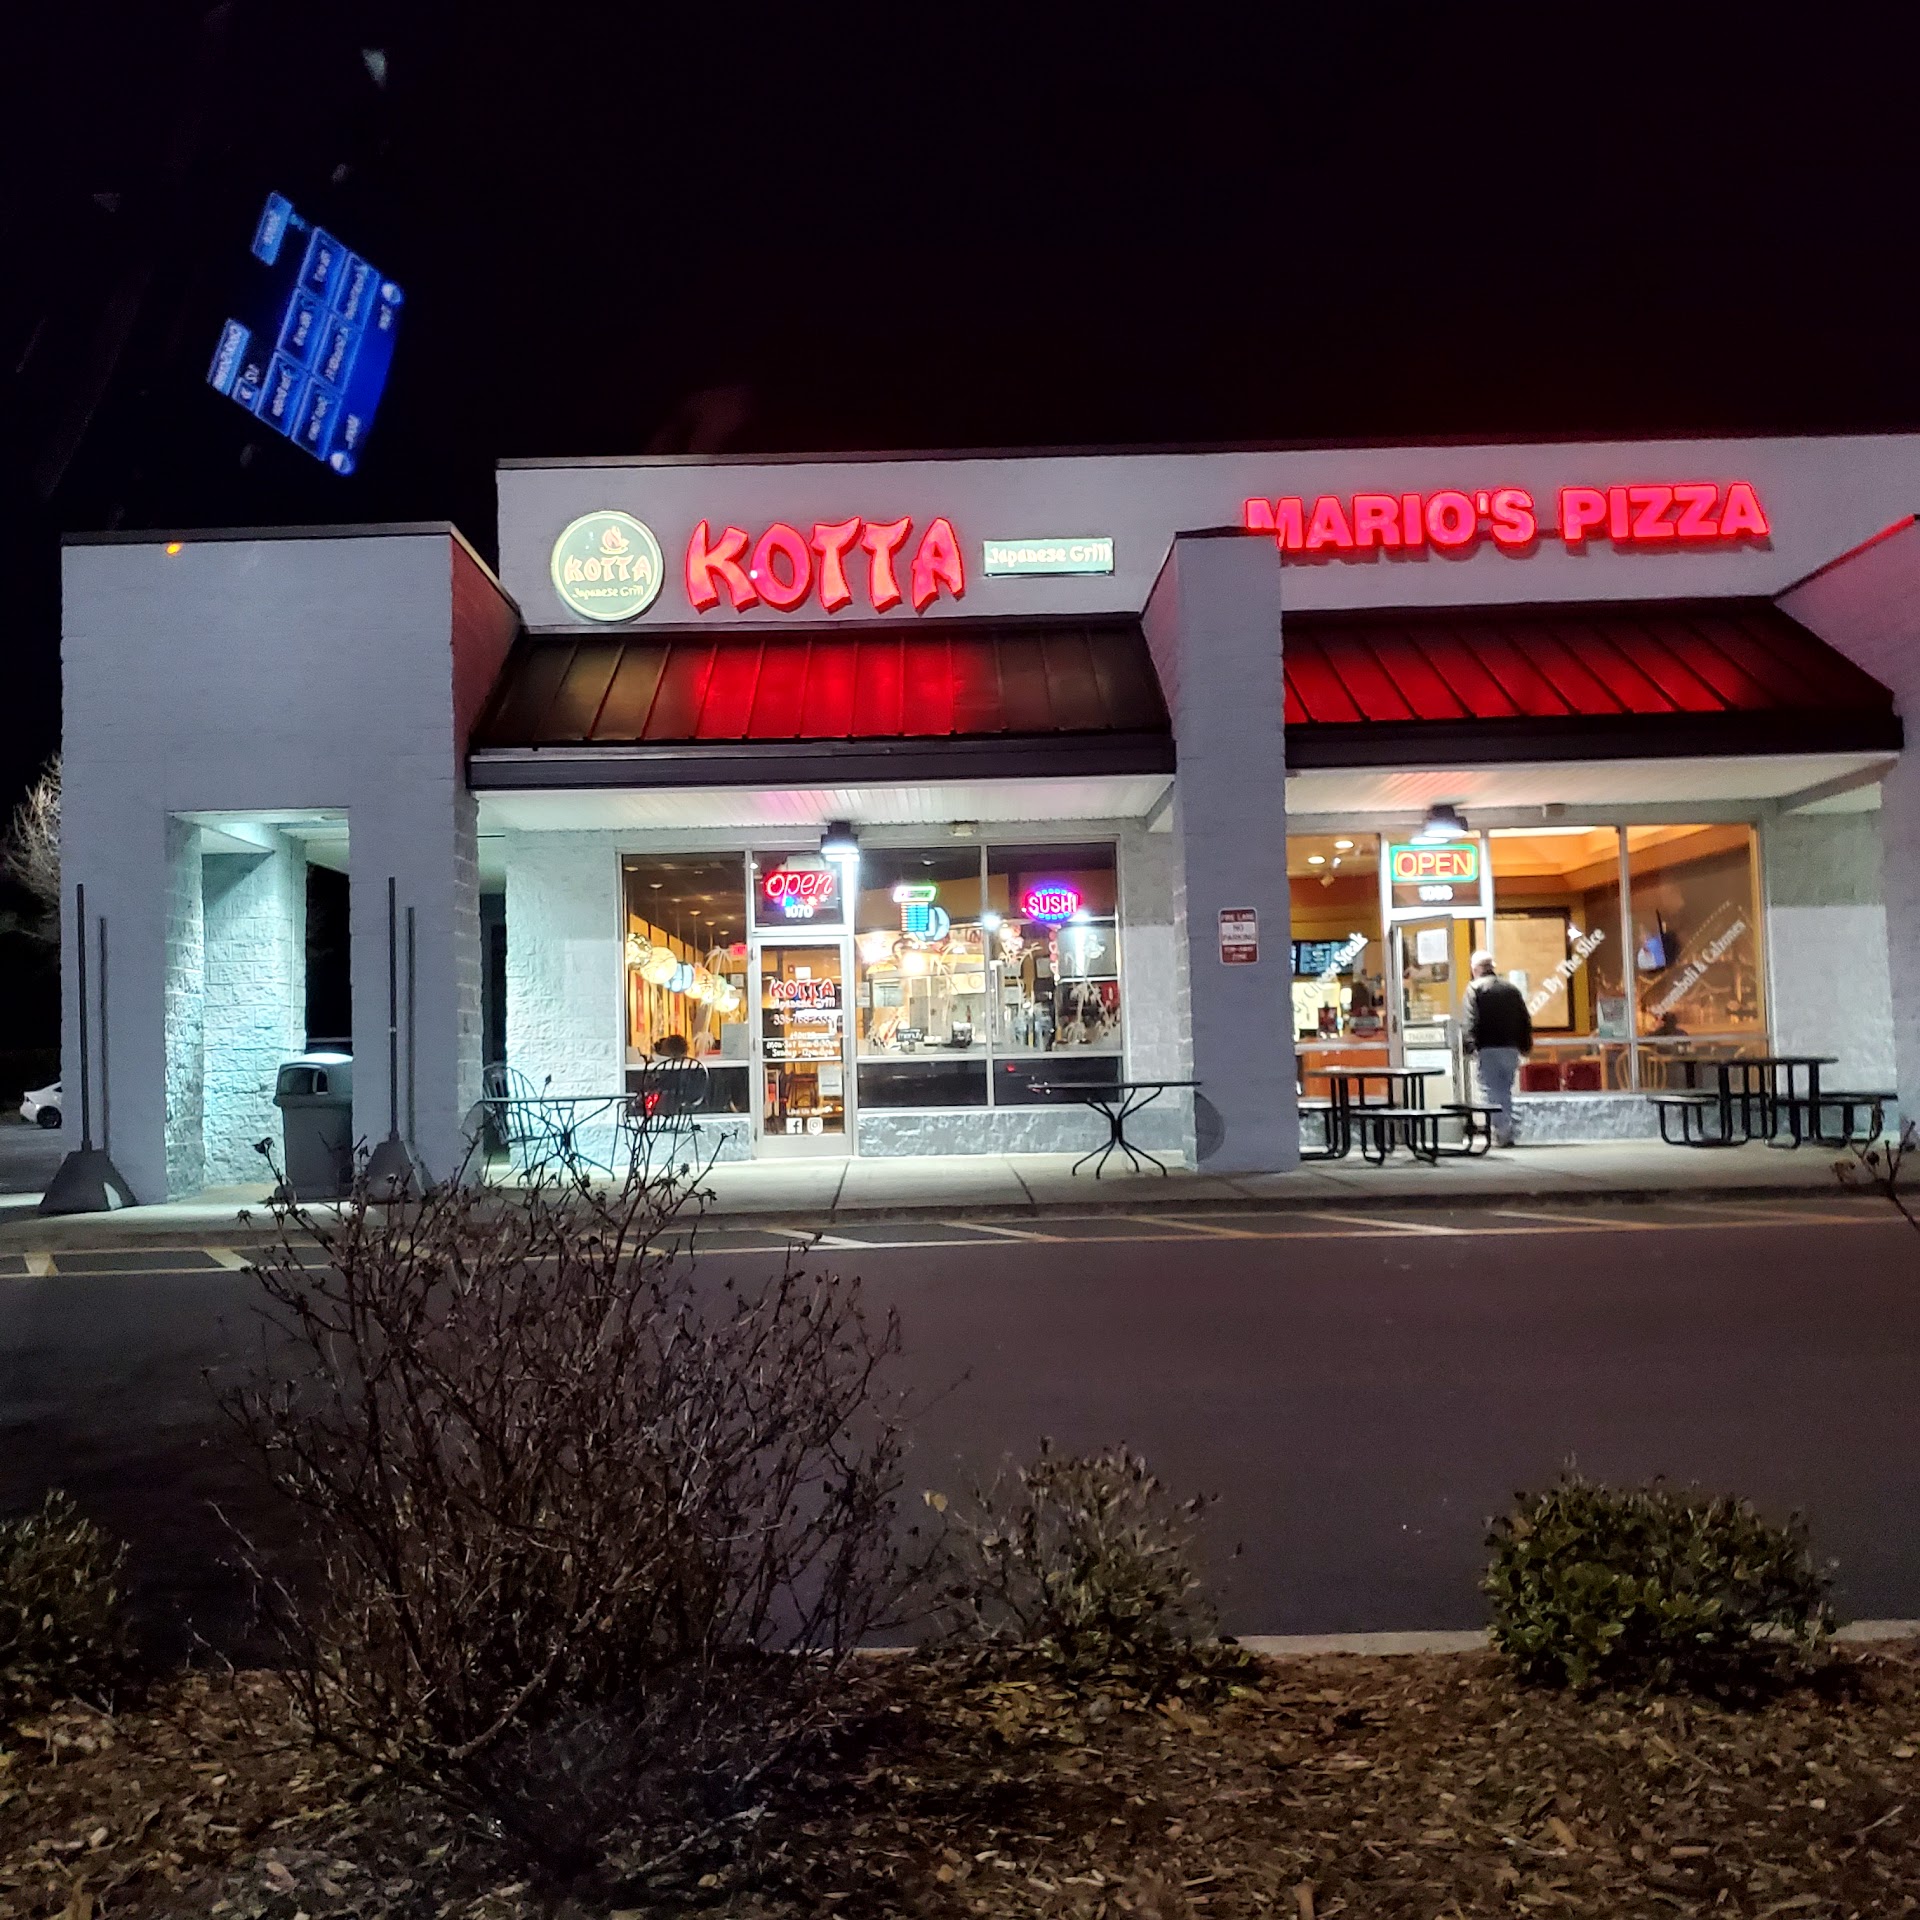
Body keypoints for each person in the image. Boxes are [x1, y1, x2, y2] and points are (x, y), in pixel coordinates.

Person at [1462, 950, 1532, 1148]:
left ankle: (1501, 1131)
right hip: (1510, 1047)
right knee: (1505, 1090)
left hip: (1488, 1047)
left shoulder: (1474, 989)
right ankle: (1506, 1130)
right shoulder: (1511, 989)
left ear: (1476, 969)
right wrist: (1525, 1044)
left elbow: (1470, 1019)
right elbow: (1524, 1018)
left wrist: (1469, 1045)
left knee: (1491, 1091)